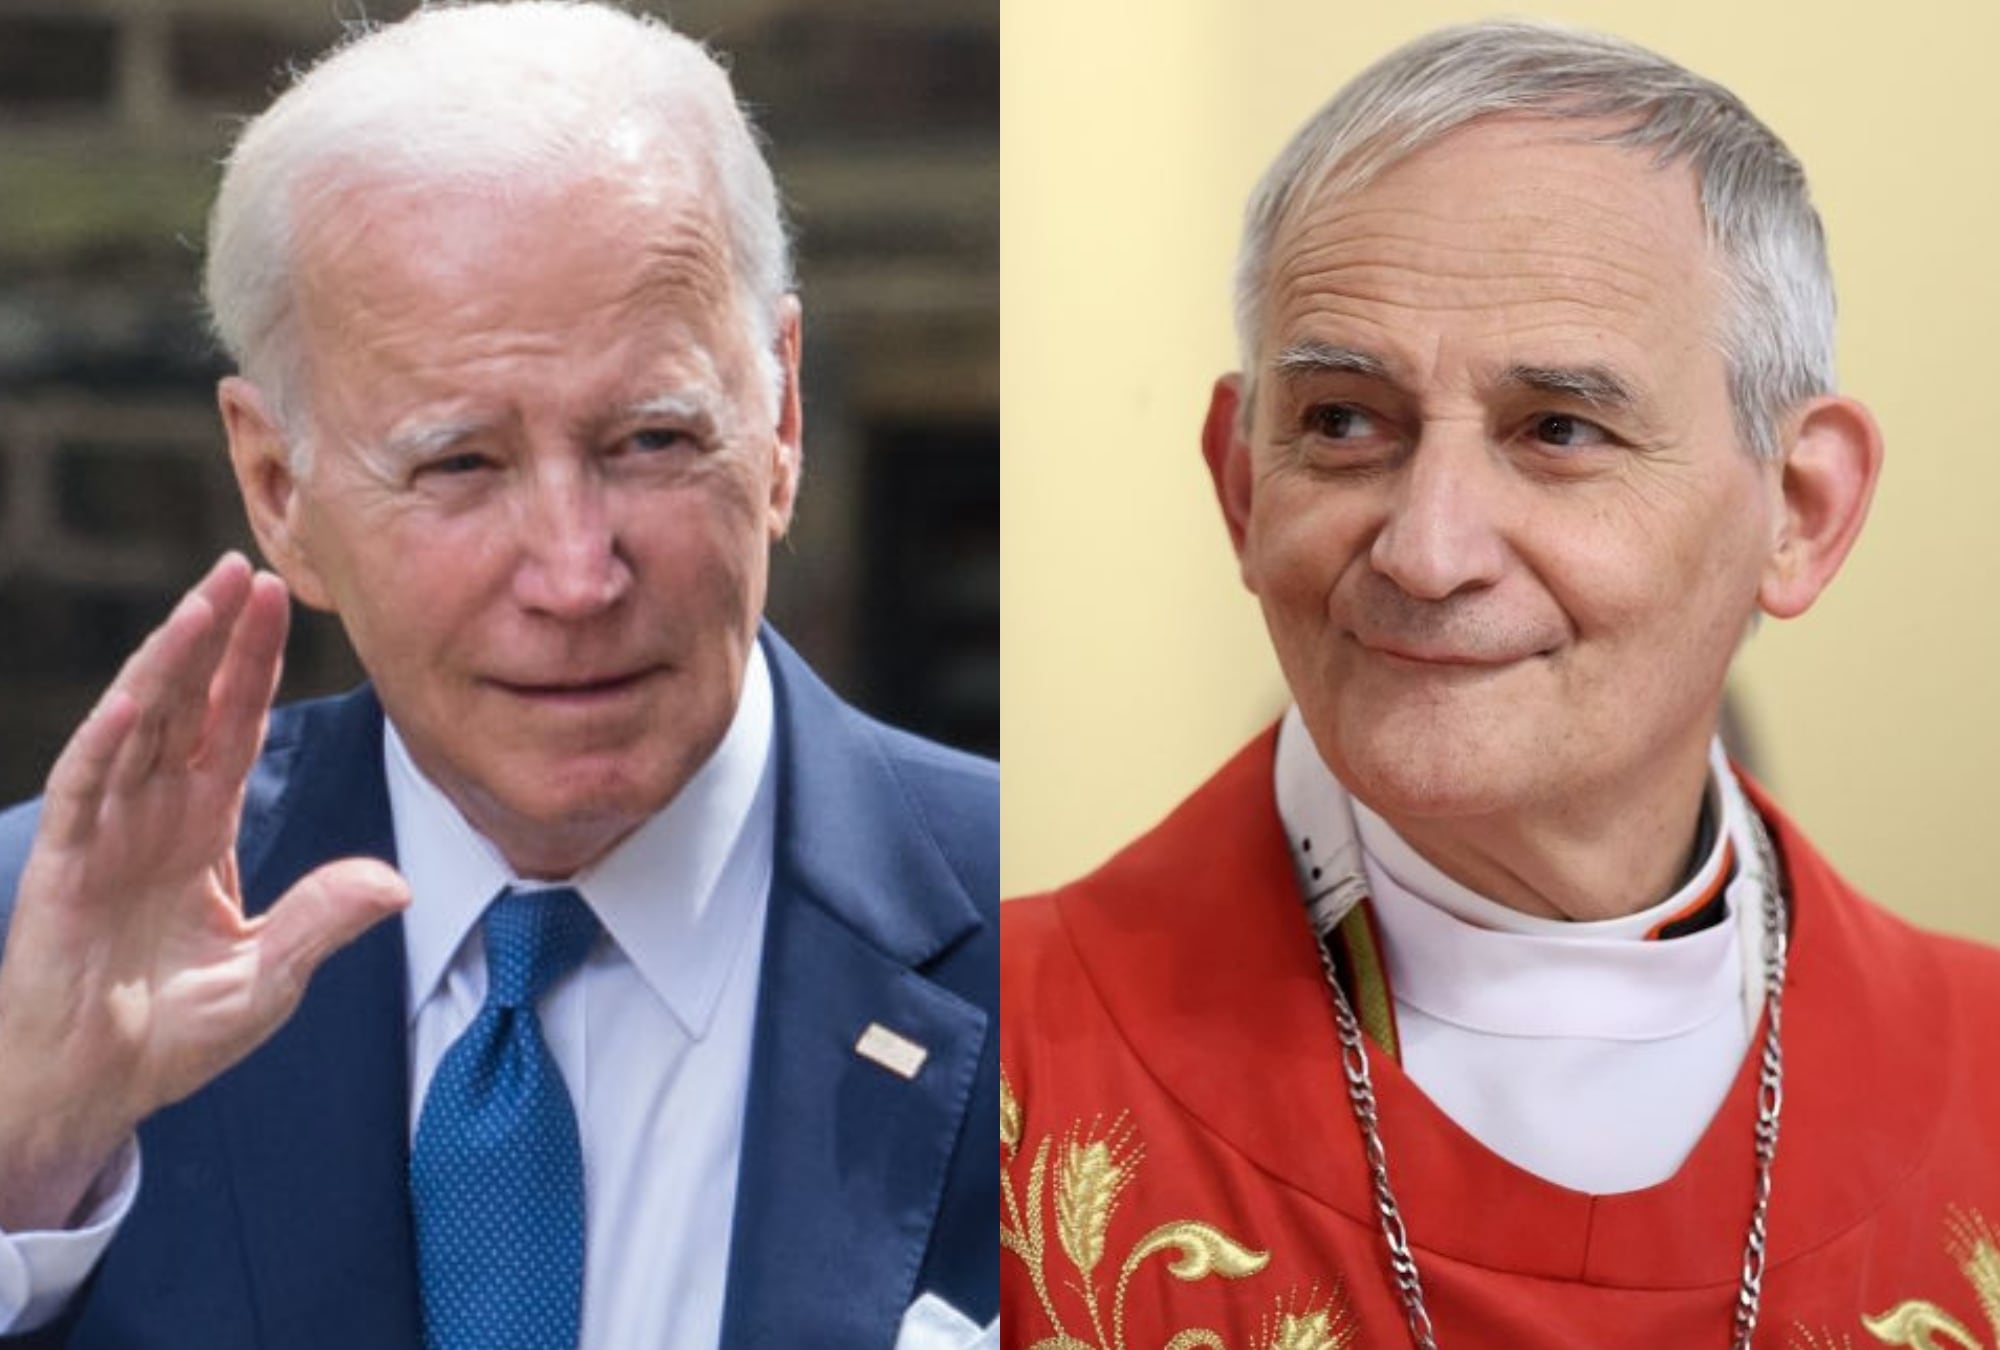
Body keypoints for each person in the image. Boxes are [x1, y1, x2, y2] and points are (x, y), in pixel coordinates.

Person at [0, 5, 997, 1348]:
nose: (577, 575)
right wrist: (26, 1170)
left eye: (651, 440)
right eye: (461, 464)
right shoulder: (36, 956)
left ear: (781, 420)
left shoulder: (1057, 941)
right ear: (279, 486)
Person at [1000, 20, 2000, 1350]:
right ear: (1242, 484)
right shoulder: (990, 1062)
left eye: (1560, 431)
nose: (1426, 552)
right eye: (1344, 421)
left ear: (1800, 512)